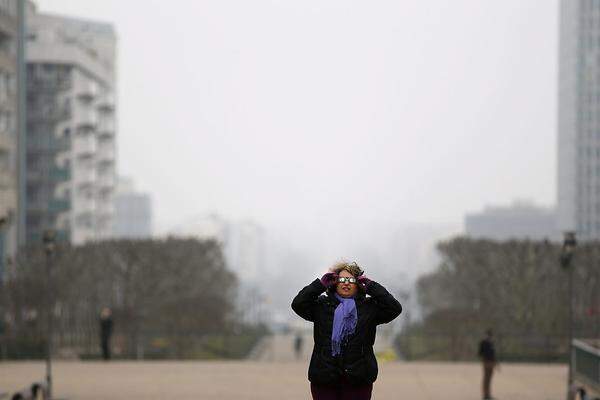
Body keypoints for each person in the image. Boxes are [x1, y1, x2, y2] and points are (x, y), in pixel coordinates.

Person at [291, 261, 402, 400]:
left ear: (358, 284)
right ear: (334, 283)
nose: (346, 283)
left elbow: (395, 308)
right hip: (324, 377)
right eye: (342, 279)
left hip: (358, 378)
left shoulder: (369, 308)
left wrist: (372, 287)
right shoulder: (322, 305)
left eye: (351, 280)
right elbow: (298, 304)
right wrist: (320, 284)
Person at [478, 329, 497, 400]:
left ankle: (488, 394)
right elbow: (480, 353)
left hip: (491, 362)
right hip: (486, 362)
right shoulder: (483, 342)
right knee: (486, 379)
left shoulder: (491, 343)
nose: (489, 336)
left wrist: (495, 362)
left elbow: (493, 354)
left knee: (489, 379)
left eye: (490, 335)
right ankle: (485, 395)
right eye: (488, 335)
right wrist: (484, 360)